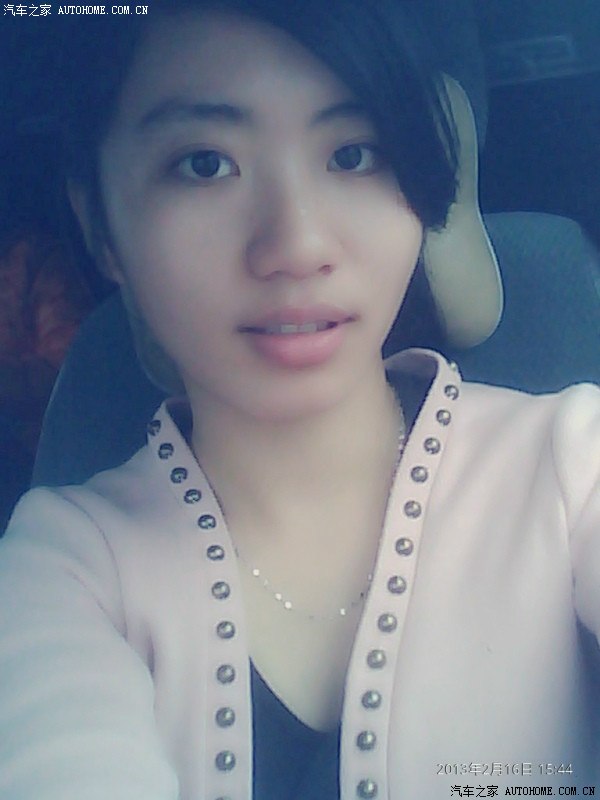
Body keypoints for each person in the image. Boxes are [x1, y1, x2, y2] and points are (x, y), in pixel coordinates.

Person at [0, 1, 598, 798]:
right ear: (100, 224)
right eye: (204, 164)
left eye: (354, 154)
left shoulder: (573, 464)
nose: (298, 245)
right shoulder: (59, 566)